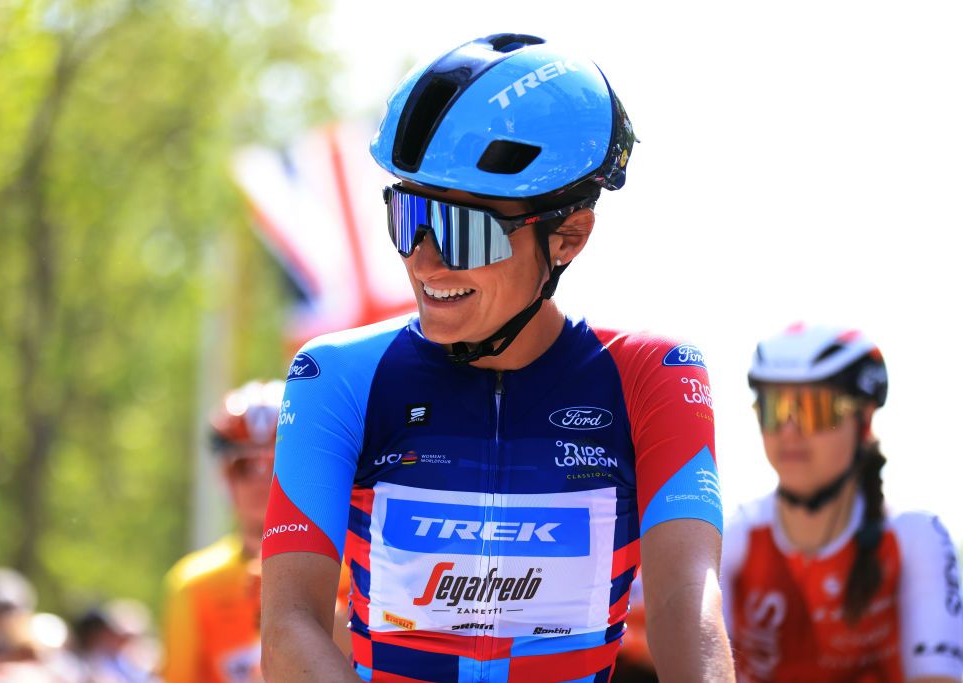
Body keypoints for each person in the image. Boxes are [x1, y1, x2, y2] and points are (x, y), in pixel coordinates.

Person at [260, 33, 735, 682]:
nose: (425, 260)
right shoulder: (338, 377)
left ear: (567, 237)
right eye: (410, 216)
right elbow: (291, 625)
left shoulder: (652, 376)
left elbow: (688, 605)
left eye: (461, 229)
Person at [721, 323, 963, 682]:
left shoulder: (916, 537)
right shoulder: (731, 538)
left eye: (813, 408)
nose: (789, 431)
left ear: (864, 422)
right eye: (774, 408)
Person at [160, 380, 283, 683]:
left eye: (277, 462)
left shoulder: (354, 567)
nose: (261, 479)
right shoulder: (194, 583)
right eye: (244, 466)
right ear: (224, 477)